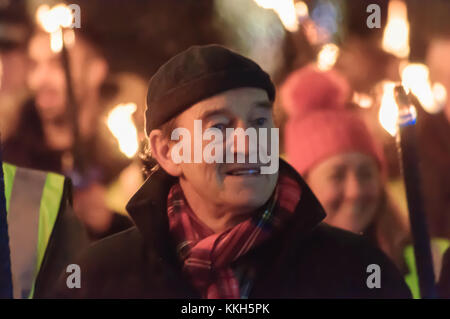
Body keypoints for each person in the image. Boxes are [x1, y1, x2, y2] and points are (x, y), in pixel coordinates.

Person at [55, 45, 411, 298]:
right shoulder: (100, 280)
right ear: (168, 150)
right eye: (220, 127)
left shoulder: (356, 272)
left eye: (259, 121)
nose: (249, 143)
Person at [2, 30, 132, 241]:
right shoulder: (11, 159)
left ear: (95, 71)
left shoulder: (124, 158)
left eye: (57, 64)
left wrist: (111, 223)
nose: (39, 79)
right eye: (34, 65)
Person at [280, 65, 410, 273]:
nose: (355, 191)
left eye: (366, 173)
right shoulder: (280, 279)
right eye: (337, 176)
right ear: (301, 187)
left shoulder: (427, 262)